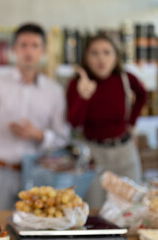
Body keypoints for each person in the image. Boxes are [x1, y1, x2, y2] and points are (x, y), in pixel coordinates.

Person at [0, 23, 69, 210]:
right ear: (14, 50)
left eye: (35, 46)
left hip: (39, 173)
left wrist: (39, 135)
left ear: (43, 51)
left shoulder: (54, 91)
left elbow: (63, 138)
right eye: (23, 45)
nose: (29, 51)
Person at [66, 34, 147, 208]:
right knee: (95, 208)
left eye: (106, 52)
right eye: (94, 53)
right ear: (86, 57)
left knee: (132, 208)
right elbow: (74, 123)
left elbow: (142, 95)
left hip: (124, 152)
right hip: (94, 155)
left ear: (116, 56)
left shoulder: (125, 79)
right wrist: (83, 97)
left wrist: (131, 123)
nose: (101, 58)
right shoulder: (77, 84)